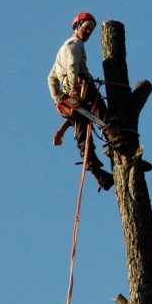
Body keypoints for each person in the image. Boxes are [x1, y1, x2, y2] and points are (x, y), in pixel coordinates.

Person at [48, 12, 114, 191]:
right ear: (77, 26)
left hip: (71, 94)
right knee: (105, 119)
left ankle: (99, 174)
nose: (88, 33)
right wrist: (74, 87)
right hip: (83, 85)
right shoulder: (74, 44)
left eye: (91, 30)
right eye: (86, 28)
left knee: (82, 133)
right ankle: (123, 148)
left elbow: (51, 78)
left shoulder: (61, 50)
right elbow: (72, 65)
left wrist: (58, 99)